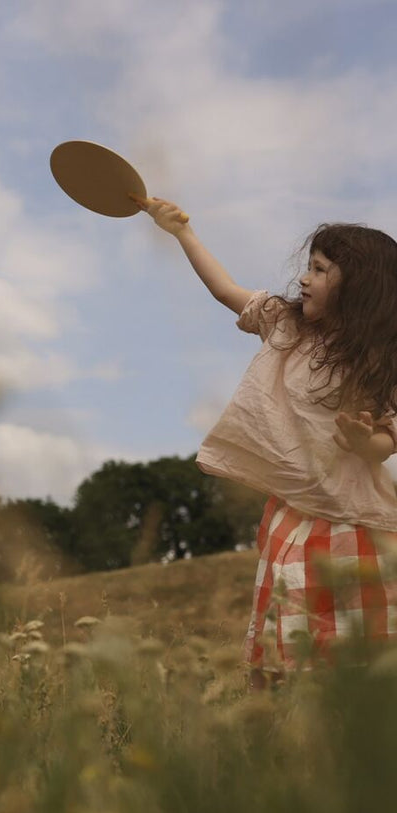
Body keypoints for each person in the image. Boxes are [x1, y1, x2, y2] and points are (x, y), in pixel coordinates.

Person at [137, 196, 397, 686]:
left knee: (360, 659)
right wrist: (180, 232)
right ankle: (284, 733)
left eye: (319, 270)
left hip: (355, 522)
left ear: (357, 288)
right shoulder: (286, 325)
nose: (303, 278)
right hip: (295, 512)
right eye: (308, 267)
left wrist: (367, 443)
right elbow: (223, 289)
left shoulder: (380, 363)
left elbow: (386, 442)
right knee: (285, 648)